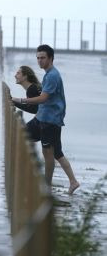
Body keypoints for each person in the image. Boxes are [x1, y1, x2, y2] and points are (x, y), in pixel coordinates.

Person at [12, 45, 80, 195]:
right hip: (43, 118)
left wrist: (18, 100)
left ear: (50, 58)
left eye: (43, 58)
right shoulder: (48, 74)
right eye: (38, 58)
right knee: (52, 151)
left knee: (49, 154)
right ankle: (73, 182)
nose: (39, 61)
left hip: (50, 121)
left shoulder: (53, 76)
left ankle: (46, 187)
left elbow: (43, 98)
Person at [12, 65, 42, 141]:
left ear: (25, 76)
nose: (15, 76)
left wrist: (14, 102)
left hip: (44, 122)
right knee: (53, 150)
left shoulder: (32, 89)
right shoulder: (33, 87)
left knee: (20, 136)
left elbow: (34, 109)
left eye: (18, 73)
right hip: (49, 120)